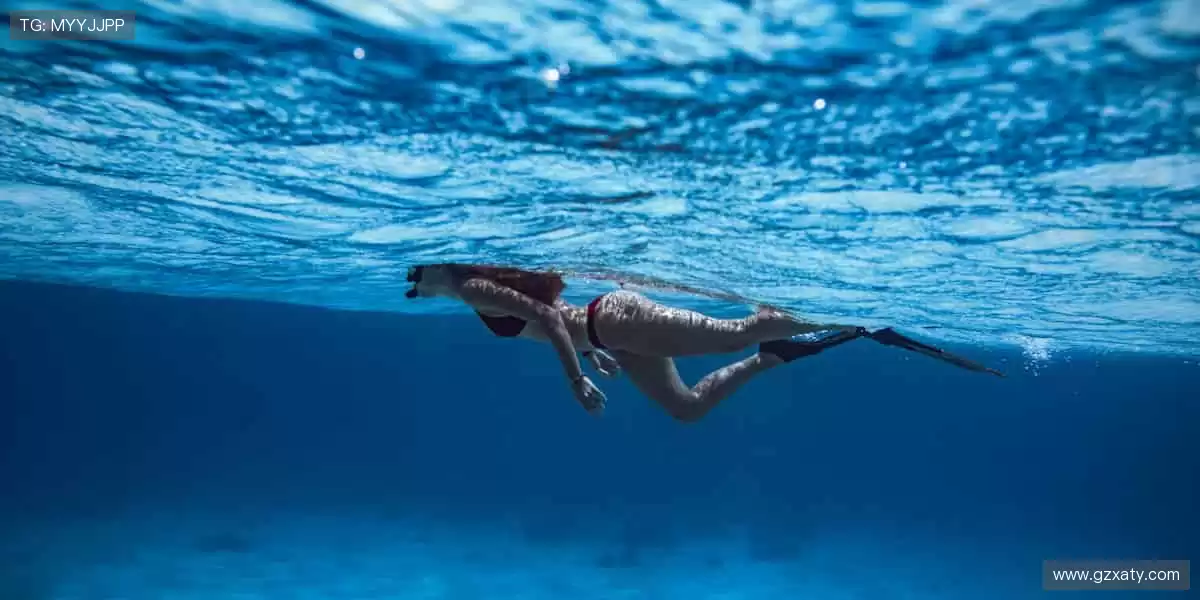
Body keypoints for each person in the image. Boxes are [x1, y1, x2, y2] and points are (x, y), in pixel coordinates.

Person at [404, 263, 1002, 422]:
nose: (413, 287)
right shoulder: (462, 290)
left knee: (731, 334)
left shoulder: (474, 287)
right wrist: (591, 354)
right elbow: (552, 318)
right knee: (686, 408)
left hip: (615, 319)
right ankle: (782, 352)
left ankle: (858, 314)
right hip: (611, 337)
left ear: (436, 266)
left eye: (414, 279)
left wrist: (576, 375)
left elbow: (546, 317)